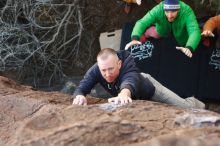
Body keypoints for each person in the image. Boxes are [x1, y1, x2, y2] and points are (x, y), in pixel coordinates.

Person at [72, 48, 205, 109]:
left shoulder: (127, 60)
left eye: (111, 69)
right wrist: (79, 95)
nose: (107, 74)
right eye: (103, 70)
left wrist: (124, 93)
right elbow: (82, 87)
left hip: (148, 88)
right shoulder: (96, 70)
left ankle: (199, 103)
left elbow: (130, 79)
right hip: (133, 100)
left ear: (119, 63)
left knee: (185, 107)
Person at [125, 0, 201, 58]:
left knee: (187, 39)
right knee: (155, 33)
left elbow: (194, 30)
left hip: (181, 31)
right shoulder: (158, 9)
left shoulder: (187, 11)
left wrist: (189, 46)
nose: (170, 15)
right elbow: (142, 22)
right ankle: (145, 35)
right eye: (167, 11)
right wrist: (135, 37)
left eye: (173, 11)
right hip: (162, 28)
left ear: (179, 9)